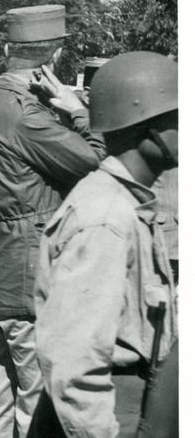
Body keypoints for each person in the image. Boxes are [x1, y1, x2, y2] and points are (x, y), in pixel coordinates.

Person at [0, 4, 107, 437]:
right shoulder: (27, 114)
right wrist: (80, 111)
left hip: (6, 264)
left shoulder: (2, 104)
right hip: (32, 267)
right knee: (38, 399)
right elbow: (97, 162)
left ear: (11, 51)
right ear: (52, 59)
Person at [31, 51, 177, 438]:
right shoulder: (106, 216)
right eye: (177, 120)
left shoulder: (128, 201)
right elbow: (75, 361)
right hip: (106, 412)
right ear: (147, 128)